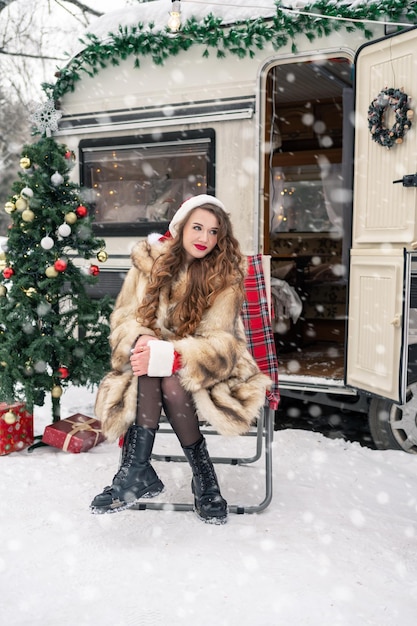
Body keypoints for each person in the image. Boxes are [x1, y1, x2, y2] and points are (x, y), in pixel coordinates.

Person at [91, 194, 272, 524]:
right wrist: (142, 337)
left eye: (214, 231)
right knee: (149, 362)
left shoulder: (225, 276)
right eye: (198, 228)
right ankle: (194, 478)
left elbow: (222, 341)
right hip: (149, 364)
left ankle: (141, 473)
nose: (205, 238)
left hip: (211, 367)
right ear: (180, 227)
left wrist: (175, 354)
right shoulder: (149, 262)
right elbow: (124, 317)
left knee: (167, 374)